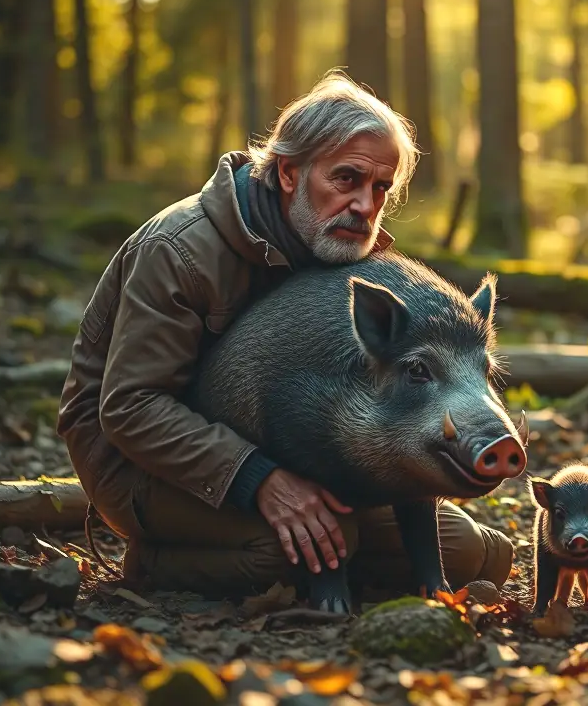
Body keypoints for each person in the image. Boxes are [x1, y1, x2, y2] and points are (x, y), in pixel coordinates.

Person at [57, 70, 514, 598]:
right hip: (139, 464)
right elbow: (130, 407)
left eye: (380, 188)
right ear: (291, 173)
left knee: (471, 554)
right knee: (298, 549)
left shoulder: (340, 246)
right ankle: (156, 564)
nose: (365, 206)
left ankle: (304, 552)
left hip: (299, 459)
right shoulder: (179, 250)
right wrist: (260, 478)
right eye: (346, 179)